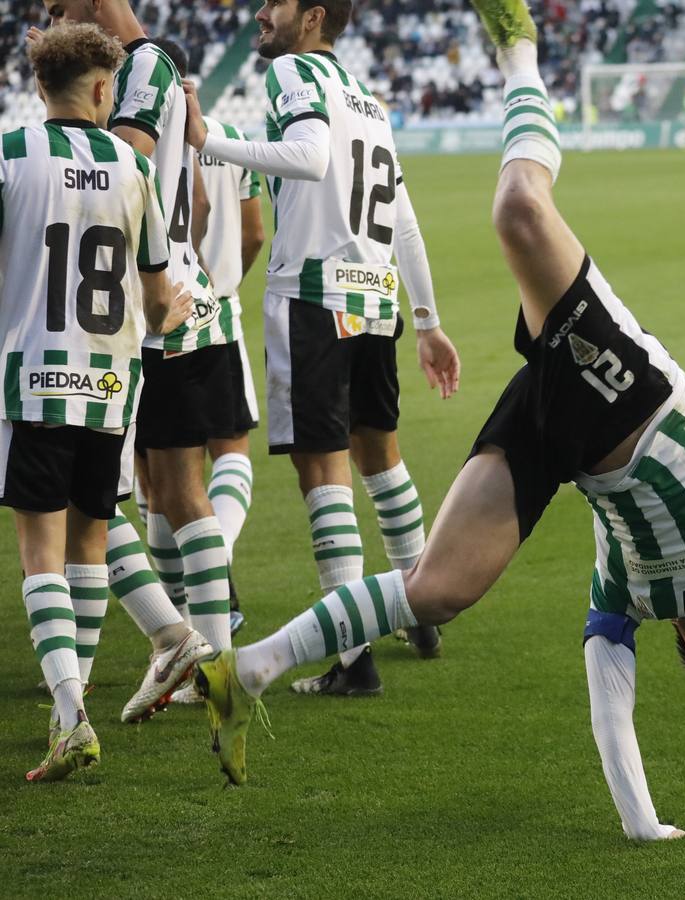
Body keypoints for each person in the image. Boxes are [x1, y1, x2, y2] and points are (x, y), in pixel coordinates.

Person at [194, 0, 685, 840]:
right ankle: (520, 48)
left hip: (563, 439)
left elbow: (611, 705)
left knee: (436, 592)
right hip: (636, 394)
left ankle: (248, 669)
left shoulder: (626, 587)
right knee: (519, 212)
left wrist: (644, 827)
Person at [180, 0, 460, 695]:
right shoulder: (367, 101)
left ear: (311, 18)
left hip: (314, 296)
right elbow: (405, 220)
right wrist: (425, 319)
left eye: (274, 4)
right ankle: (419, 608)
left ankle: (352, 658)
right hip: (373, 297)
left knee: (323, 469)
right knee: (379, 455)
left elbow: (305, 157)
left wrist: (206, 137)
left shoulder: (294, 74)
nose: (261, 14)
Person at [1, 23, 191, 780]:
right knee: (90, 541)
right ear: (104, 90)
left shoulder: (12, 157)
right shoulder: (130, 166)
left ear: (38, 87)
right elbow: (154, 295)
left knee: (39, 552)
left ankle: (72, 713)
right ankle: (65, 710)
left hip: (34, 380)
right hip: (111, 389)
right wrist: (173, 311)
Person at [37, 0, 240, 685]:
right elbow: (199, 203)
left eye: (61, 8)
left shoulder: (145, 64)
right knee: (134, 492)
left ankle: (199, 657)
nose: (52, 18)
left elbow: (121, 166)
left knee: (129, 495)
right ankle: (187, 649)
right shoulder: (156, 70)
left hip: (145, 314)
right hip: (150, 301)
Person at [150, 37, 264, 642]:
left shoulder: (143, 141)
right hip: (221, 309)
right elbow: (252, 233)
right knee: (229, 451)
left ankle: (193, 602)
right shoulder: (225, 139)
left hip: (159, 318)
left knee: (162, 479)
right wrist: (223, 286)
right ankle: (207, 591)